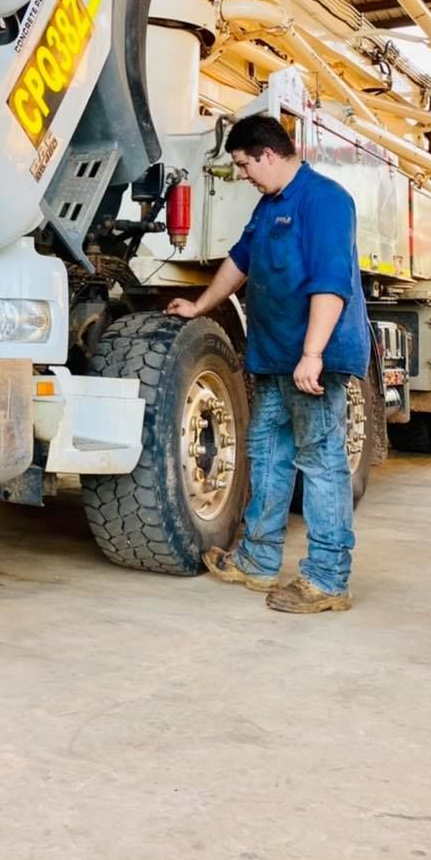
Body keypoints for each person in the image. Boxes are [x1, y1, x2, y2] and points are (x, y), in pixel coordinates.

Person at [166, 114, 370, 614]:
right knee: (269, 455)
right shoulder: (269, 205)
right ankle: (258, 562)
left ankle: (327, 581)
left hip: (311, 361)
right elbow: (240, 261)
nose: (242, 174)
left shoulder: (324, 201)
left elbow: (331, 283)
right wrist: (200, 305)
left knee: (321, 464)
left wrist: (313, 354)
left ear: (268, 154)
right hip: (276, 357)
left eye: (242, 165)